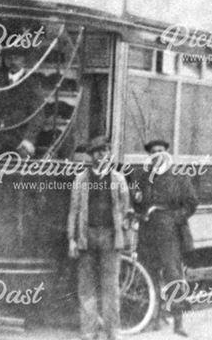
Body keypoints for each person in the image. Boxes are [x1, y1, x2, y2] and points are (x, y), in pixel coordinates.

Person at [67, 137, 131, 340]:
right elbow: (74, 211)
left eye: (104, 151)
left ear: (109, 154)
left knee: (110, 287)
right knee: (86, 288)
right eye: (96, 152)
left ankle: (113, 332)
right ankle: (89, 332)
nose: (100, 156)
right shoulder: (81, 179)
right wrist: (72, 239)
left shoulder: (119, 180)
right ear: (91, 156)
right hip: (87, 237)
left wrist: (124, 232)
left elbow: (125, 208)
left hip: (111, 238)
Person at [135, 139, 196, 336]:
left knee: (173, 275)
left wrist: (175, 218)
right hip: (148, 231)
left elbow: (191, 202)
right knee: (150, 273)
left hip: (170, 233)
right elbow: (137, 202)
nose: (157, 155)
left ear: (167, 153)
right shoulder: (144, 177)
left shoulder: (179, 176)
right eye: (153, 152)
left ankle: (178, 322)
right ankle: (155, 317)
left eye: (160, 151)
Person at [0, 48, 44, 158]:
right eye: (9, 58)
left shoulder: (32, 83)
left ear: (24, 61)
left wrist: (28, 140)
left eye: (17, 58)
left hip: (20, 144)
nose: (12, 62)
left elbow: (38, 116)